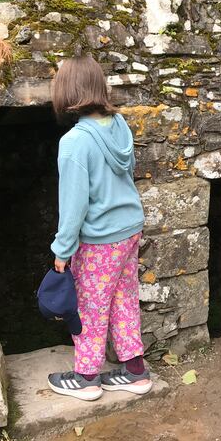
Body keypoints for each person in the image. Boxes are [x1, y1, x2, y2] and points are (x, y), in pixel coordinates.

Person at [46, 55, 151, 401]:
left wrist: (62, 251)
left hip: (101, 240)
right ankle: (136, 372)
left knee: (90, 306)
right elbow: (128, 169)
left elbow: (73, 207)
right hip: (130, 228)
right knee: (123, 299)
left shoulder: (75, 142)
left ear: (68, 90)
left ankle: (87, 377)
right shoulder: (119, 126)